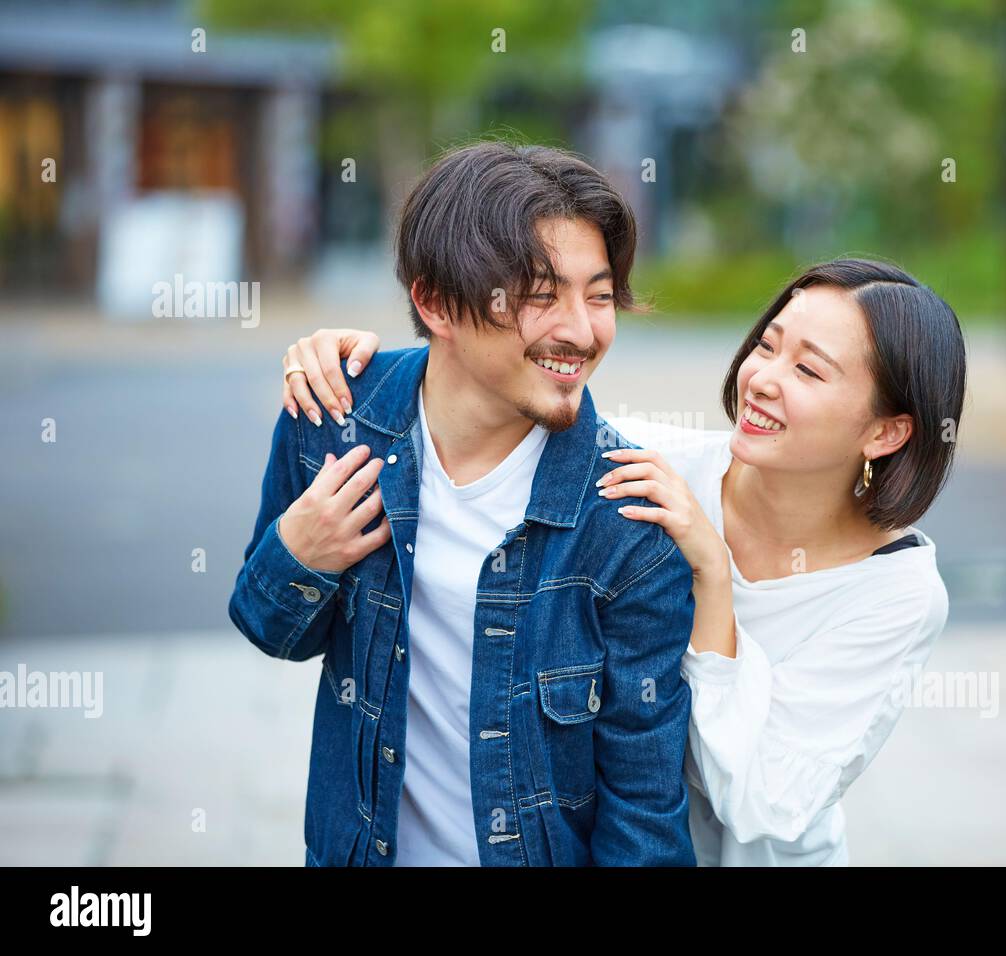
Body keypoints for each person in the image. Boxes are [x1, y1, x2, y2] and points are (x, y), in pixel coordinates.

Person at [282, 257, 967, 865]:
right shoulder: (648, 470)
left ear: (886, 431)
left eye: (808, 369)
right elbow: (497, 393)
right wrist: (359, 366)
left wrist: (713, 577)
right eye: (767, 344)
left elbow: (764, 805)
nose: (763, 378)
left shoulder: (897, 591)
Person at [228, 140, 698, 867]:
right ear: (437, 302)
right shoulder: (332, 420)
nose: (580, 330)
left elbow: (644, 808)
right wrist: (299, 554)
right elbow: (272, 632)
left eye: (599, 295)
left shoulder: (627, 521)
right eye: (541, 296)